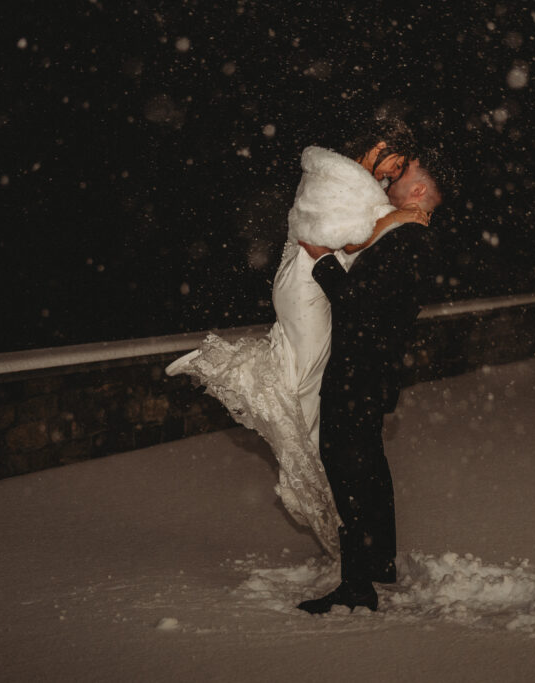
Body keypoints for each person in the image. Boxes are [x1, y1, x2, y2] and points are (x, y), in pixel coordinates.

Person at [165, 122, 426, 557]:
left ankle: (310, 463)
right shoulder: (333, 178)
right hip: (307, 285)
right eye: (396, 163)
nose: (395, 175)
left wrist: (386, 214)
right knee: (305, 382)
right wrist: (396, 217)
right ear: (379, 147)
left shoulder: (345, 179)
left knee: (303, 377)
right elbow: (331, 240)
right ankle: (229, 371)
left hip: (303, 283)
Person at [296, 154, 444, 614]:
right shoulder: (403, 236)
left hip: (359, 371)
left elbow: (359, 306)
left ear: (419, 191)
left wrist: (321, 263)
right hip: (369, 370)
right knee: (368, 467)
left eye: (404, 175)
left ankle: (357, 584)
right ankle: (378, 561)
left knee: (348, 470)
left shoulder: (409, 242)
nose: (393, 180)